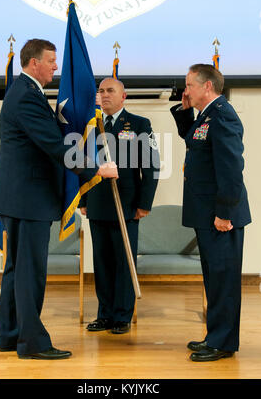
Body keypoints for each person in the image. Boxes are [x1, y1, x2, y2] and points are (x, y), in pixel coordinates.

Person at [0, 39, 118, 360]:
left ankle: (9, 335)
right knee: (29, 272)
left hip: (19, 197)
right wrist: (96, 169)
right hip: (27, 199)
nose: (55, 67)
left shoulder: (26, 93)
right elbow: (54, 146)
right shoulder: (26, 97)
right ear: (34, 64)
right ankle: (32, 343)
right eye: (50, 61)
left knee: (16, 270)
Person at [170, 64, 251, 362]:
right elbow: (192, 139)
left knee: (223, 279)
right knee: (214, 279)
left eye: (189, 85)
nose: (185, 90)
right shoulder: (207, 115)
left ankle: (223, 343)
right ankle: (215, 335)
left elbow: (231, 169)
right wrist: (184, 107)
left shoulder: (223, 115)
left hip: (220, 215)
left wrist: (225, 212)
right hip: (207, 213)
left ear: (207, 87)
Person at [79, 77, 160, 334]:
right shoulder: (92, 126)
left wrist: (145, 203)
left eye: (110, 90)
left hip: (126, 204)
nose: (104, 95)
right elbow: (82, 165)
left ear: (123, 96)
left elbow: (151, 166)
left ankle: (122, 315)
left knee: (124, 261)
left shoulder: (138, 124)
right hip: (98, 203)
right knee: (101, 262)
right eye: (101, 91)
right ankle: (105, 314)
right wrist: (83, 198)